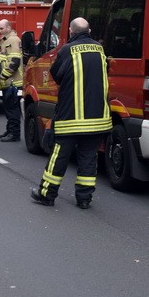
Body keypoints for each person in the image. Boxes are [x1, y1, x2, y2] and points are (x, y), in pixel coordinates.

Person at [31, 17, 111, 209]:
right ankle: (84, 199)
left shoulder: (67, 50)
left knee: (58, 158)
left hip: (70, 119)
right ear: (89, 31)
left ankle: (47, 195)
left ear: (71, 31)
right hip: (98, 119)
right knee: (88, 159)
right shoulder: (100, 50)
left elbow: (56, 74)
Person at [0, 19, 23, 142]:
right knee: (8, 108)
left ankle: (14, 134)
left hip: (13, 82)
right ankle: (10, 130)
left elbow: (14, 62)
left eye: (1, 28)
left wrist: (3, 76)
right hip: (8, 82)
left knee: (12, 109)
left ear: (8, 27)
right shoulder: (6, 41)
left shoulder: (13, 40)